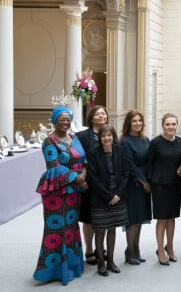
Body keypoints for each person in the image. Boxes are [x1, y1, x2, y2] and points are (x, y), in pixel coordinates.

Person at [33, 107, 87, 285]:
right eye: (62, 119)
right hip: (57, 191)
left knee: (71, 227)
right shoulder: (49, 141)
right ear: (54, 121)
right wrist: (77, 179)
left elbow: (83, 160)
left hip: (74, 192)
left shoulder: (75, 137)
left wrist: (83, 176)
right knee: (57, 229)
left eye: (68, 119)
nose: (65, 122)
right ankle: (52, 271)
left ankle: (72, 265)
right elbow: (54, 166)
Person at [87, 125, 129, 276]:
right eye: (103, 135)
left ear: (113, 136)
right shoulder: (93, 153)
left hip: (118, 195)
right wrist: (109, 196)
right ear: (99, 137)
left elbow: (126, 173)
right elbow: (92, 178)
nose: (106, 138)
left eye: (109, 135)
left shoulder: (120, 150)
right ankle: (100, 264)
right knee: (100, 230)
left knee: (112, 229)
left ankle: (111, 261)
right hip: (100, 196)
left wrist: (117, 194)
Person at [76, 105, 113, 265]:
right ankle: (90, 249)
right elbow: (78, 158)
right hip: (89, 184)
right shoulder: (82, 136)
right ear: (91, 118)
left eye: (103, 113)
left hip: (106, 185)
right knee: (89, 218)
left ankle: (101, 248)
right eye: (97, 114)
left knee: (104, 217)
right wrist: (83, 176)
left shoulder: (110, 133)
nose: (101, 116)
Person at [146, 113, 181, 265]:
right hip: (160, 186)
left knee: (172, 218)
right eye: (168, 124)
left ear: (177, 125)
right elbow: (149, 164)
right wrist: (148, 184)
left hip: (176, 185)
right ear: (163, 125)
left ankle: (170, 247)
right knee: (162, 219)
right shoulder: (155, 143)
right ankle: (160, 249)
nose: (171, 127)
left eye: (173, 124)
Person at [120, 110, 151, 265]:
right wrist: (143, 182)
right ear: (128, 124)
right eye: (134, 121)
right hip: (133, 185)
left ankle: (135, 250)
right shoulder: (125, 141)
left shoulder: (145, 139)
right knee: (132, 219)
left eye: (140, 120)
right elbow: (130, 165)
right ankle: (130, 251)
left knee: (140, 218)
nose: (138, 123)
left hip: (145, 184)